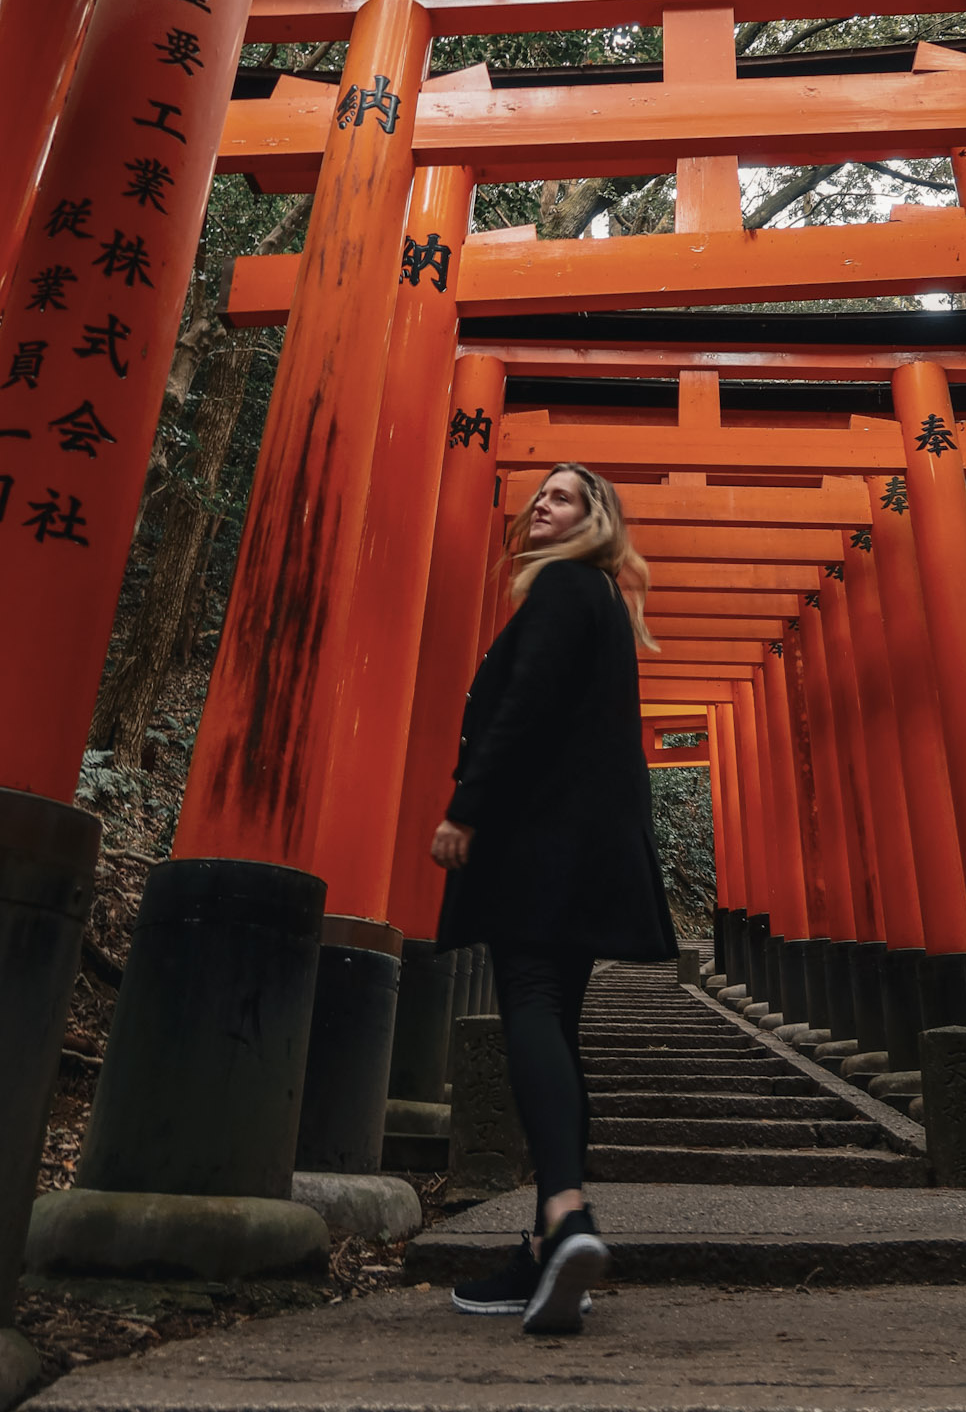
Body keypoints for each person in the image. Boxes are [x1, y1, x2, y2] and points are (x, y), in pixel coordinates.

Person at [431, 461, 677, 1334]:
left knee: (529, 1004)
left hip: (538, 840)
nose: (541, 501)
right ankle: (547, 1247)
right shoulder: (602, 603)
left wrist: (467, 807)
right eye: (539, 492)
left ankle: (566, 1211)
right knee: (558, 1025)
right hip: (589, 847)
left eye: (563, 495)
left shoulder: (563, 587)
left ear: (596, 518)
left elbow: (523, 707)